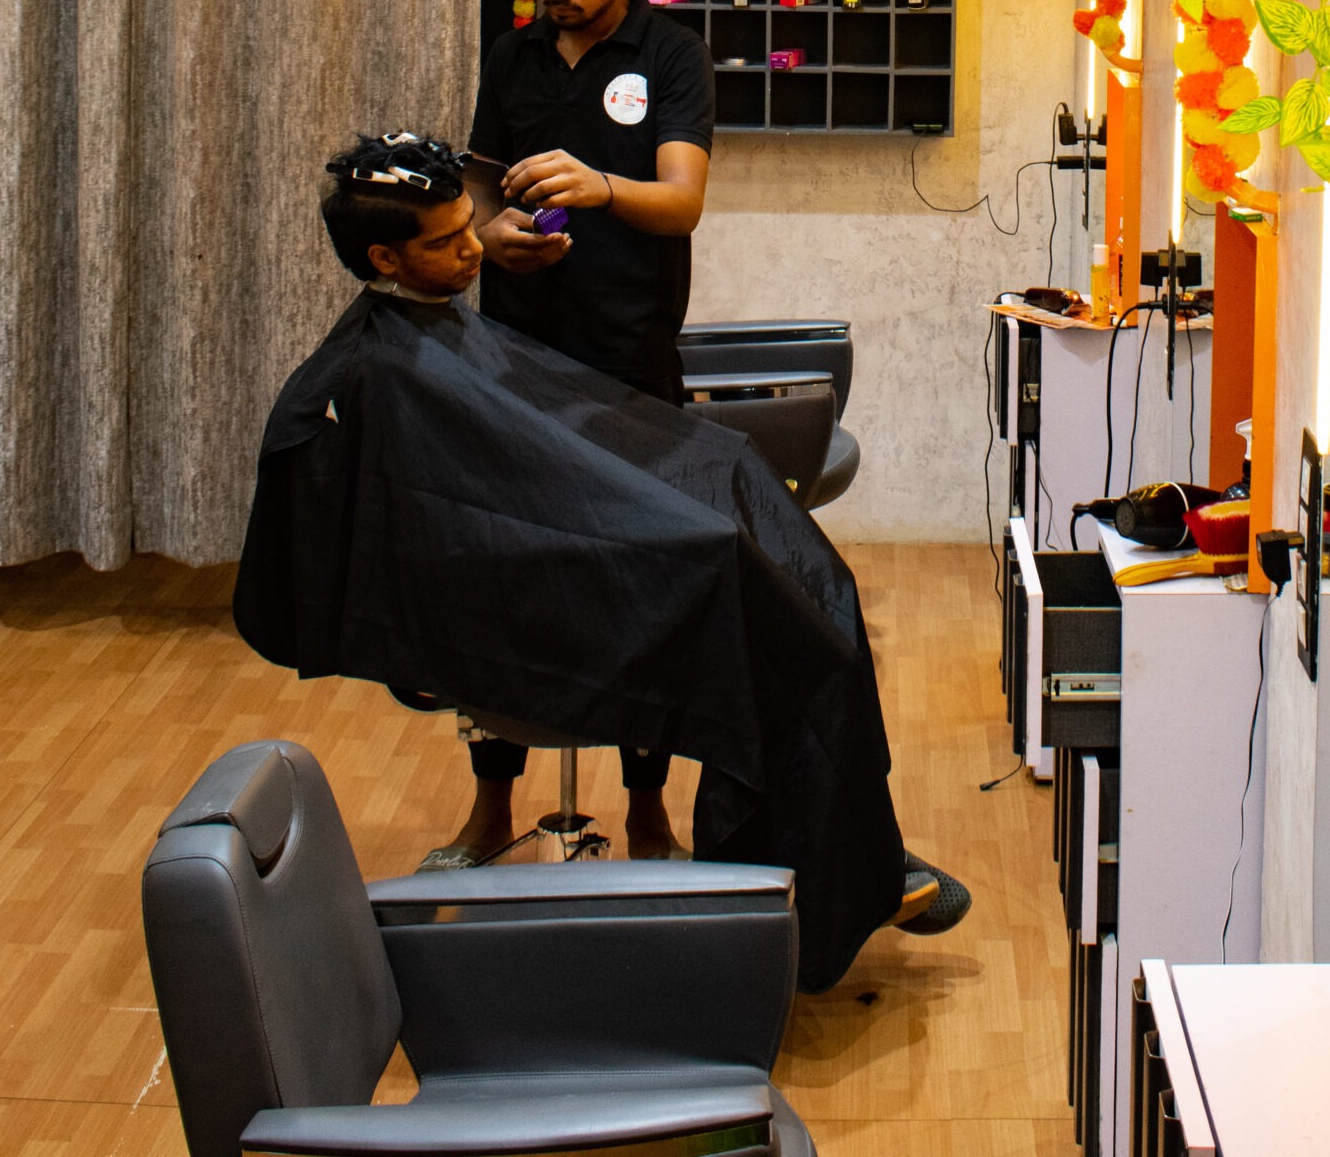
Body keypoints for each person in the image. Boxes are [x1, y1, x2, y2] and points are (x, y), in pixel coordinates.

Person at [232, 133, 969, 991]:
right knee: (771, 627)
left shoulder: (434, 330)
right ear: (384, 258)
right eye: (449, 240)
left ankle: (842, 862)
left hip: (595, 546)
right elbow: (456, 531)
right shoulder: (372, 374)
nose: (476, 247)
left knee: (809, 591)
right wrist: (667, 539)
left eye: (471, 225)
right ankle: (837, 874)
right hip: (535, 602)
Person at [456, 0, 713, 865]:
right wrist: (491, 235)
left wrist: (602, 185)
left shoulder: (672, 56)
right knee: (508, 593)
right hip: (516, 362)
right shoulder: (512, 56)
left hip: (630, 366)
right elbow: (479, 188)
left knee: (642, 594)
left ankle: (649, 810)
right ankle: (490, 807)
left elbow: (682, 201)